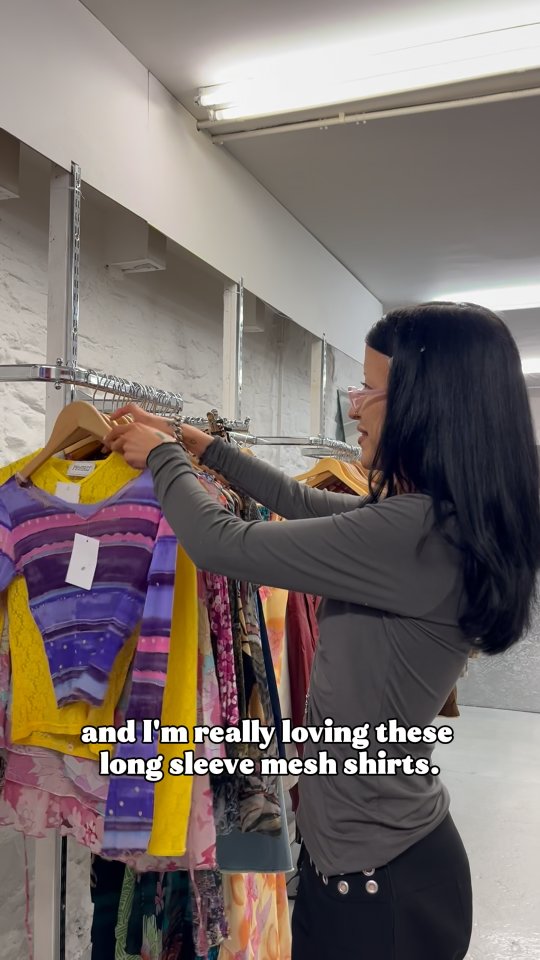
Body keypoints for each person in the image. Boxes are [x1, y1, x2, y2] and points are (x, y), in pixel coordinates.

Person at [107, 302, 540, 960]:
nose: (356, 407)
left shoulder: (413, 532)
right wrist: (210, 451)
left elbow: (224, 542)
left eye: (369, 389)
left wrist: (165, 459)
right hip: (380, 867)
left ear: (427, 402)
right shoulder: (432, 521)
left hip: (379, 892)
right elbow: (309, 504)